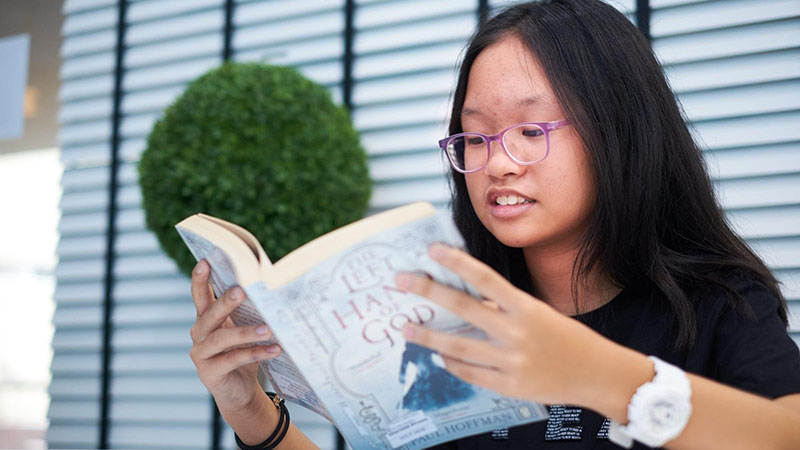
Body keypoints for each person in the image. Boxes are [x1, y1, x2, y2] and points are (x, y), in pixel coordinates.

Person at [187, 1, 800, 449]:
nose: (496, 164)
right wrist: (252, 415)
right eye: (475, 137)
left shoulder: (718, 304)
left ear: (620, 133)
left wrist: (600, 373)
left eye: (531, 131)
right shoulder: (445, 317)